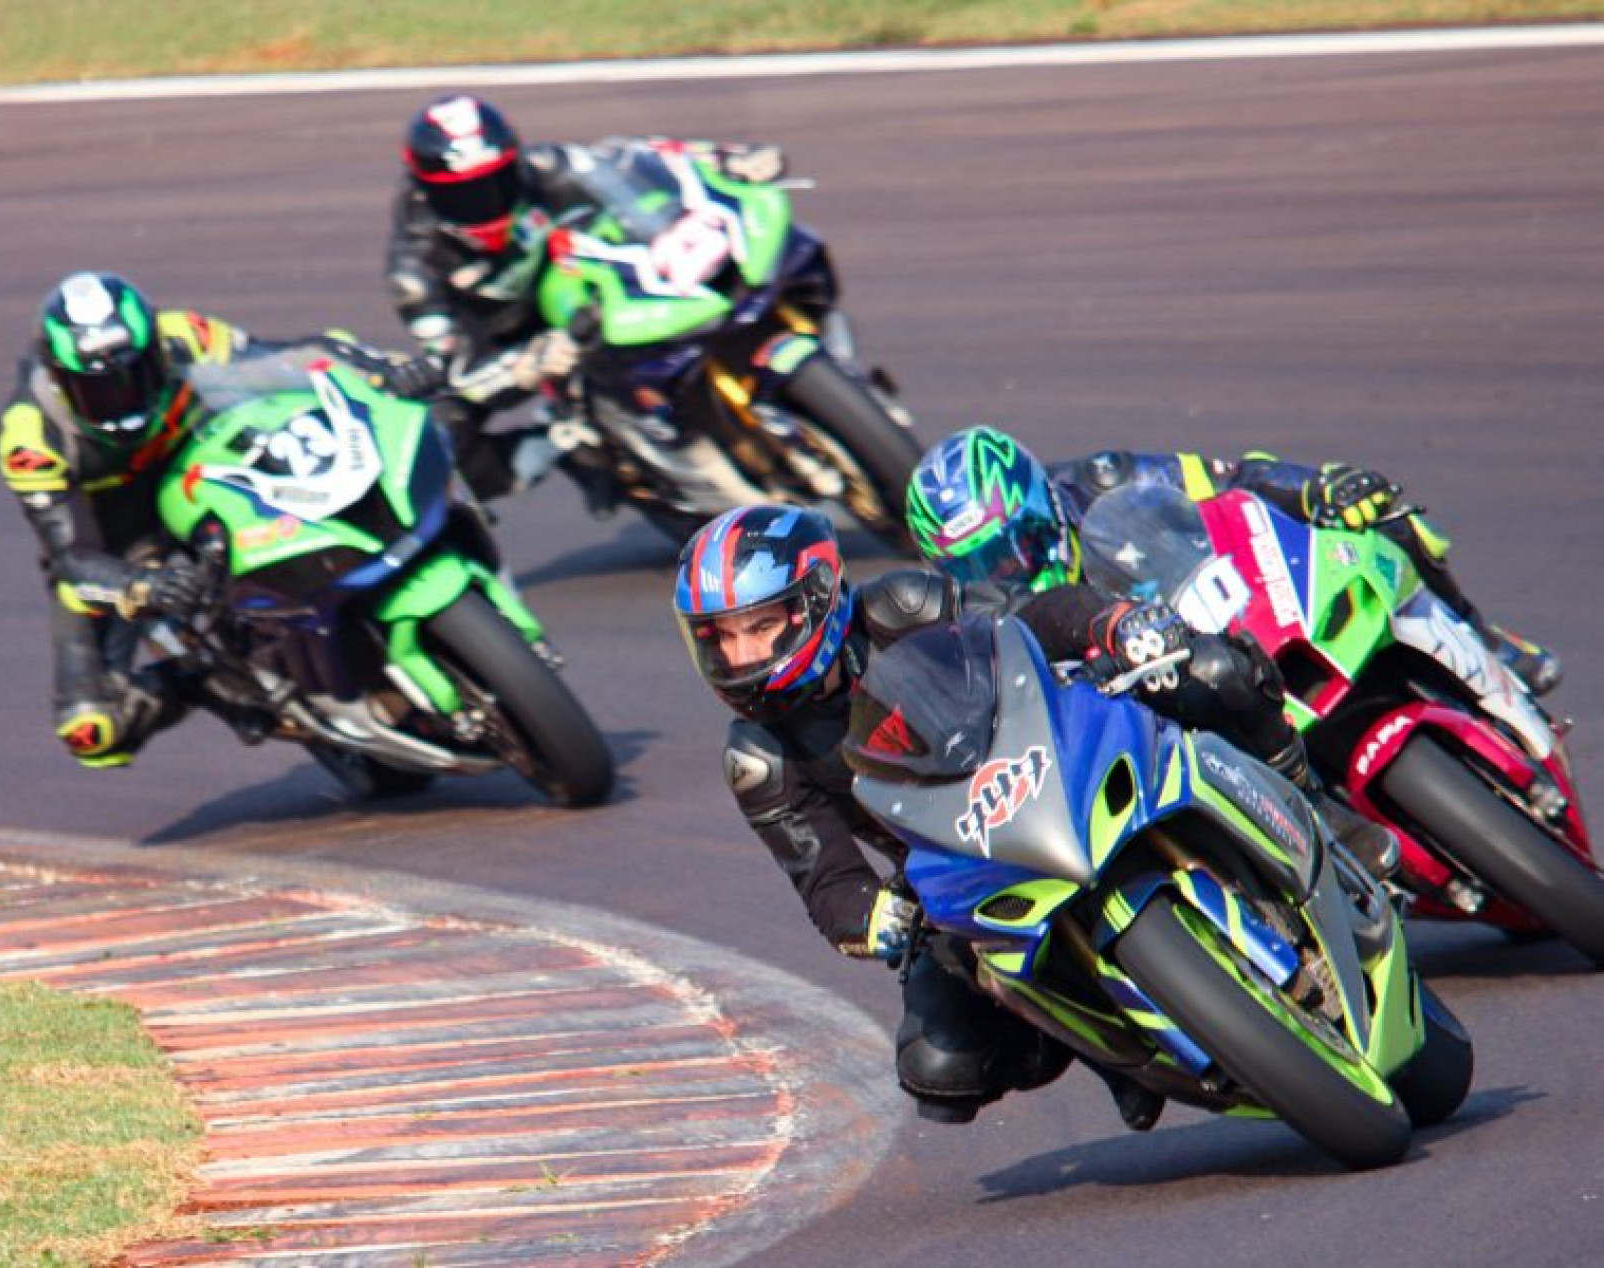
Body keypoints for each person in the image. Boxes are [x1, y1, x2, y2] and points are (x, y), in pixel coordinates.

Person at [673, 504, 1325, 1130]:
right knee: (938, 1065)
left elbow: (1025, 618)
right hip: (955, 862)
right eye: (722, 638)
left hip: (1053, 749)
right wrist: (872, 918)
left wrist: (1112, 625)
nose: (741, 653)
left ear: (813, 601)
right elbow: (823, 877)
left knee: (1210, 673)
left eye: (759, 626)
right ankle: (1126, 1058)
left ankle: (1312, 812)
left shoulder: (903, 606)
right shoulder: (760, 757)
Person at [0, 271, 441, 768]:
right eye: (98, 390)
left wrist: (383, 370)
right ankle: (206, 679)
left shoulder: (183, 334)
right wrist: (141, 587)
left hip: (211, 466)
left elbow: (285, 360)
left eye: (135, 374)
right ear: (59, 378)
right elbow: (70, 558)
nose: (122, 397)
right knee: (93, 732)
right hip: (123, 540)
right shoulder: (30, 438)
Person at [905, 426, 1561, 694]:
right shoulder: (986, 629)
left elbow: (1232, 475)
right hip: (1175, 694)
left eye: (1009, 548)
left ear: (1037, 503)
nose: (1006, 573)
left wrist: (1314, 488)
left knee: (1378, 509)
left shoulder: (1100, 478)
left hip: (1238, 603)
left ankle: (1482, 637)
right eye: (978, 568)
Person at [386, 93, 791, 503]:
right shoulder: (415, 273)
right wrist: (525, 365)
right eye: (465, 194)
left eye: (498, 181)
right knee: (442, 440)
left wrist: (725, 159)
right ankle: (562, 448)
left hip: (580, 284)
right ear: (427, 193)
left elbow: (633, 159)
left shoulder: (545, 168)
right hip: (502, 341)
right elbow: (453, 369)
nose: (487, 200)